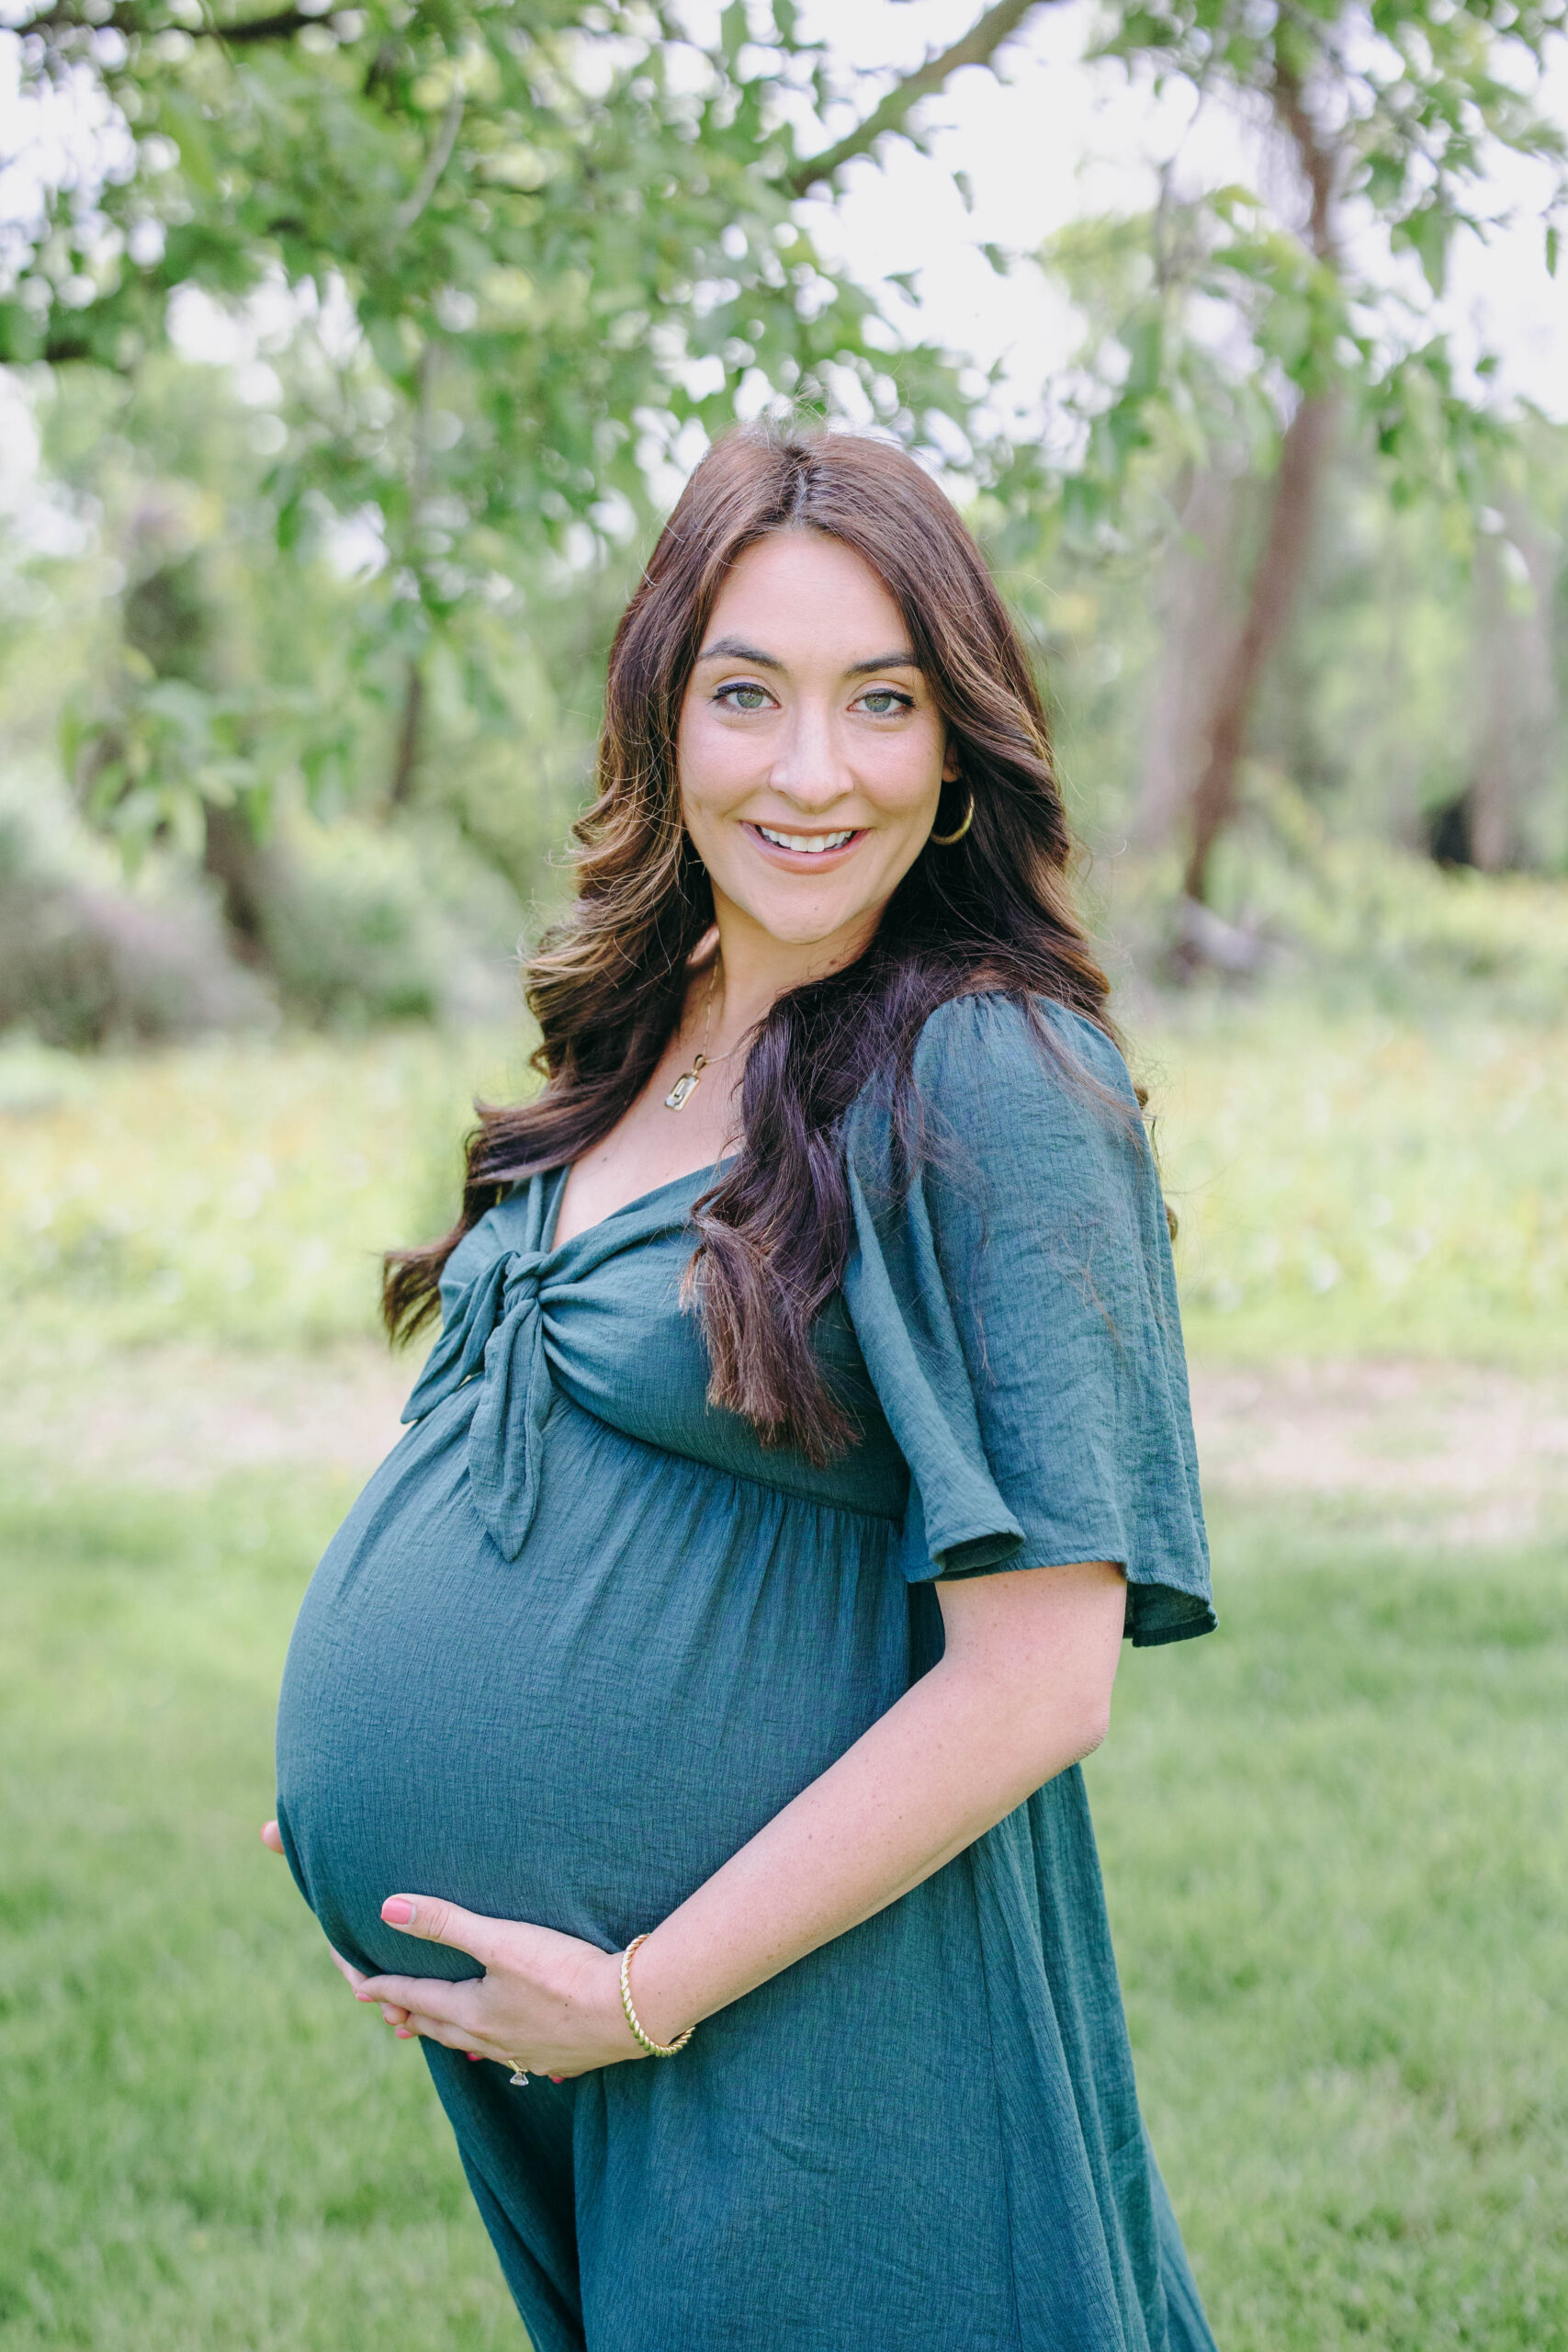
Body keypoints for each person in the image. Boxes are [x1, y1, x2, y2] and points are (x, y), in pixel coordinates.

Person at [265, 424, 1218, 2352]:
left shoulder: (990, 1078)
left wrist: (638, 1989)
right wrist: (372, 1781)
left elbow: (1038, 1677)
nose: (809, 769)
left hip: (813, 2018)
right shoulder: (656, 1012)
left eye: (878, 700)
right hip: (575, 2011)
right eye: (746, 694)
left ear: (956, 744)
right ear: (660, 716)